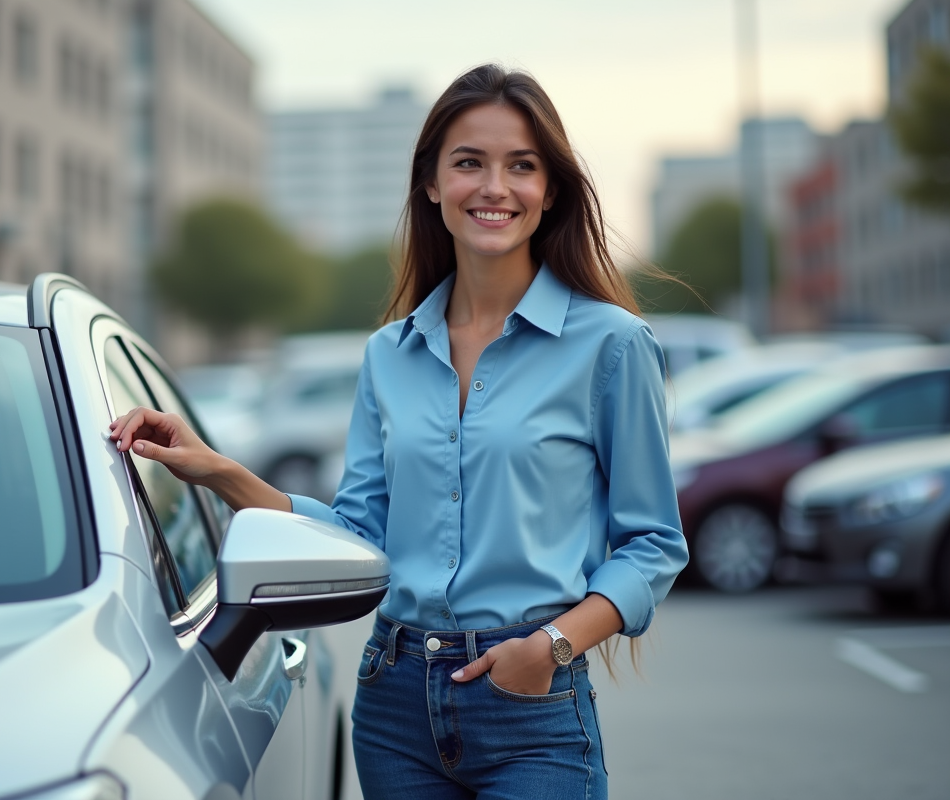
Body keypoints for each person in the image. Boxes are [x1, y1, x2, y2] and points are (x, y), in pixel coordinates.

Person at [109, 64, 688, 800]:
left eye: (522, 166)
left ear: (550, 190)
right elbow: (358, 531)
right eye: (469, 163)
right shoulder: (389, 355)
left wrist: (551, 647)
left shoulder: (612, 345)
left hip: (532, 707)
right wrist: (218, 470)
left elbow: (653, 542)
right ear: (431, 184)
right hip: (395, 704)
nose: (494, 188)